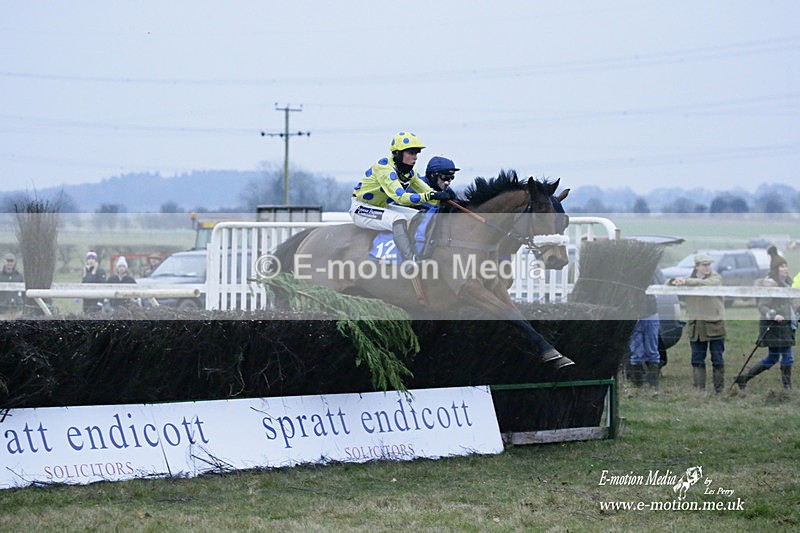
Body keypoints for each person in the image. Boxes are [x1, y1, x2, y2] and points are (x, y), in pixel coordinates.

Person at [350, 132, 456, 266]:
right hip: (361, 208)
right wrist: (432, 195)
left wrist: (444, 199)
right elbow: (400, 198)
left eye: (416, 153)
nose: (415, 157)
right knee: (398, 219)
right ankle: (408, 260)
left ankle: (420, 252)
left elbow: (428, 193)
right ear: (398, 153)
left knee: (417, 216)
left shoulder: (410, 173)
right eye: (411, 153)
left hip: (381, 206)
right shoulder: (384, 168)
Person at [736, 247, 796, 390]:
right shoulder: (770, 285)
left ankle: (744, 378)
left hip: (786, 326)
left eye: (786, 265)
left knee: (773, 358)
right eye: (782, 266)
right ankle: (787, 388)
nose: (785, 268)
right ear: (775, 269)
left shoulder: (787, 283)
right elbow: (762, 306)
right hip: (775, 327)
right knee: (787, 357)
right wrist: (774, 315)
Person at [668, 254, 726, 392]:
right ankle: (699, 390)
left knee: (717, 359)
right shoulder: (688, 279)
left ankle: (719, 390)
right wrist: (674, 282)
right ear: (697, 266)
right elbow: (668, 285)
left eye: (709, 265)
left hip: (715, 325)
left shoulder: (715, 278)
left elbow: (708, 283)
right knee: (697, 359)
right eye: (704, 265)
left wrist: (686, 281)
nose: (707, 268)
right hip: (696, 327)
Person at [628, 292, 661, 389]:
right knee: (636, 353)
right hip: (633, 315)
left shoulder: (651, 278)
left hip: (650, 314)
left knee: (652, 351)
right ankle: (637, 385)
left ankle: (653, 386)